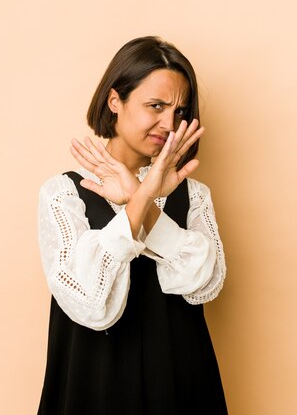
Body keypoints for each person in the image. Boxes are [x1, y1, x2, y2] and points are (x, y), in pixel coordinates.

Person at [37, 36, 228, 415]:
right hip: (93, 388)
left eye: (179, 111)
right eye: (155, 106)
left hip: (181, 386)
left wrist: (143, 202)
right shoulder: (63, 194)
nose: (169, 124)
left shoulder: (195, 194)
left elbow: (205, 282)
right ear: (115, 101)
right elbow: (89, 303)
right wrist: (140, 200)